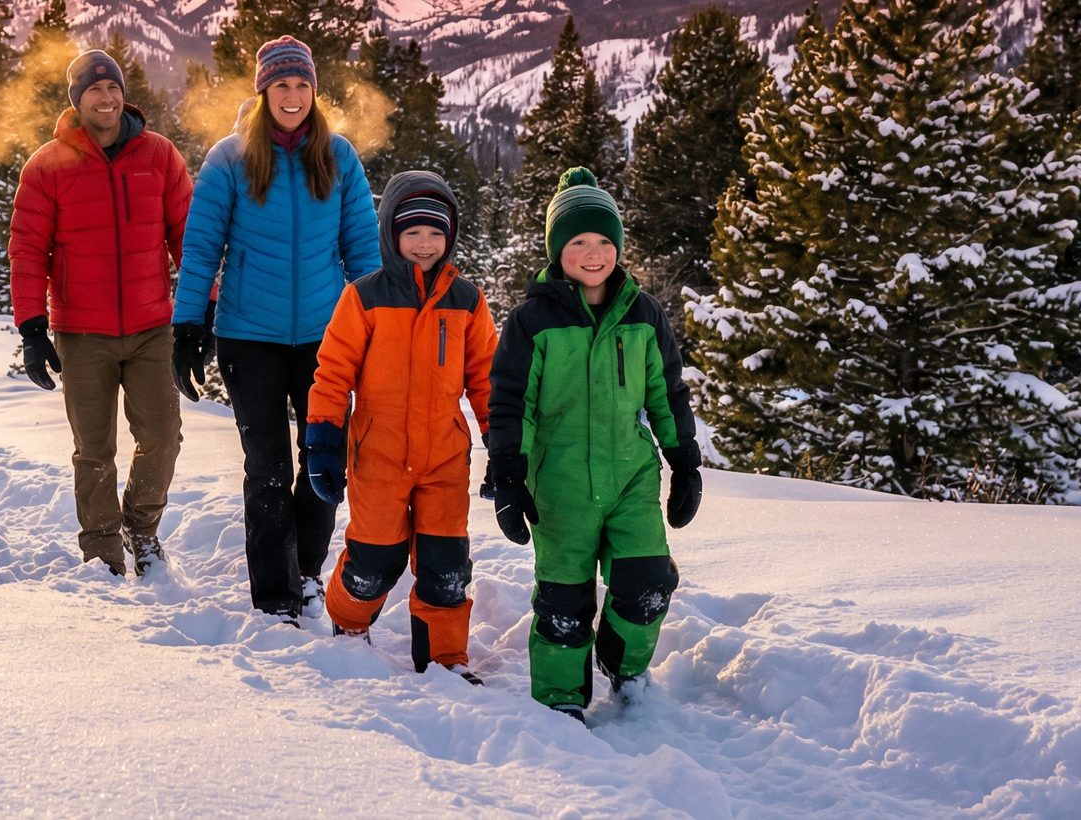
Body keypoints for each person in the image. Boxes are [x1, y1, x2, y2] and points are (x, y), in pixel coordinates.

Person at [172, 36, 381, 619]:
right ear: (264, 91)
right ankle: (275, 595)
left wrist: (379, 327)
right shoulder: (230, 160)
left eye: (302, 85)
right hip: (248, 336)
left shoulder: (338, 157)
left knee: (321, 462)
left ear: (314, 92)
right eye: (281, 85)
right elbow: (201, 249)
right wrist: (188, 323)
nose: (292, 95)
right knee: (267, 469)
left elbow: (363, 251)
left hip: (325, 338)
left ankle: (308, 571)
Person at [487, 167, 704, 722]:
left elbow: (667, 393)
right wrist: (509, 474)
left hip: (632, 476)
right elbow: (513, 403)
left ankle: (620, 662)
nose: (592, 253)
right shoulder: (532, 321)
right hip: (559, 486)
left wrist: (685, 463)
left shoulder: (643, 314)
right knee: (565, 603)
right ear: (557, 249)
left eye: (604, 241)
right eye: (578, 241)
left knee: (649, 582)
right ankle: (560, 700)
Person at [8, 49, 195, 577]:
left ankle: (141, 526)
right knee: (94, 451)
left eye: (112, 88)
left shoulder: (159, 156)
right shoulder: (48, 165)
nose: (106, 98)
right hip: (81, 332)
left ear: (123, 94)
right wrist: (31, 328)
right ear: (77, 100)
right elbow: (27, 249)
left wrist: (201, 314)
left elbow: (188, 238)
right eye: (94, 90)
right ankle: (102, 552)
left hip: (151, 327)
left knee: (162, 437)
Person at [302, 170, 497, 678]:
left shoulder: (468, 302)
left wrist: (503, 443)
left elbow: (486, 379)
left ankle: (444, 658)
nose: (425, 244)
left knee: (447, 567)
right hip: (379, 453)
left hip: (445, 457)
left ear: (450, 236)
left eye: (436, 233)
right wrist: (323, 440)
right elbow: (332, 371)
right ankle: (347, 621)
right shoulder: (364, 297)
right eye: (413, 233)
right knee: (374, 563)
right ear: (392, 234)